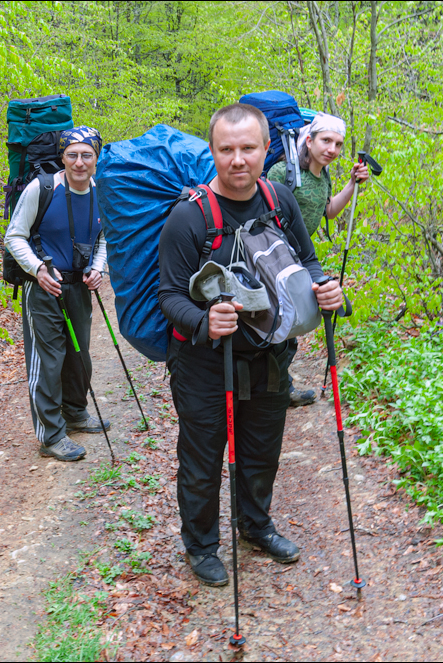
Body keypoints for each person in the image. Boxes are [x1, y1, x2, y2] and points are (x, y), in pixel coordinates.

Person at [158, 104, 345, 586]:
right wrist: (205, 321)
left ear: (266, 148)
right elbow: (170, 295)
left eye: (247, 148)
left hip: (270, 356)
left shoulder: (279, 199)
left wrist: (324, 288)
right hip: (204, 361)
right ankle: (202, 545)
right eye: (226, 149)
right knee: (202, 459)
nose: (237, 159)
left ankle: (255, 525)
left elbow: (306, 260)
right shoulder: (188, 217)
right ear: (213, 151)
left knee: (262, 450)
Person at [5, 126, 110, 462]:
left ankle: (75, 413)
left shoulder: (101, 192)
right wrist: (37, 268)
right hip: (43, 288)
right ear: (62, 157)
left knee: (79, 355)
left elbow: (105, 238)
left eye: (86, 155)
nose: (79, 162)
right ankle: (50, 435)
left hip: (79, 286)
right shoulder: (43, 188)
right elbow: (14, 236)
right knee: (48, 361)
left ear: (96, 158)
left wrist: (98, 267)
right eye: (72, 155)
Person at [266, 113, 370, 407]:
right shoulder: (282, 172)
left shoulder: (323, 176)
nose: (332, 149)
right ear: (309, 141)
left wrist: (352, 184)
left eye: (338, 144)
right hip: (274, 261)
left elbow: (330, 211)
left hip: (300, 260)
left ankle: (280, 388)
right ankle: (274, 391)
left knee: (290, 325)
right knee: (279, 323)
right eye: (326, 141)